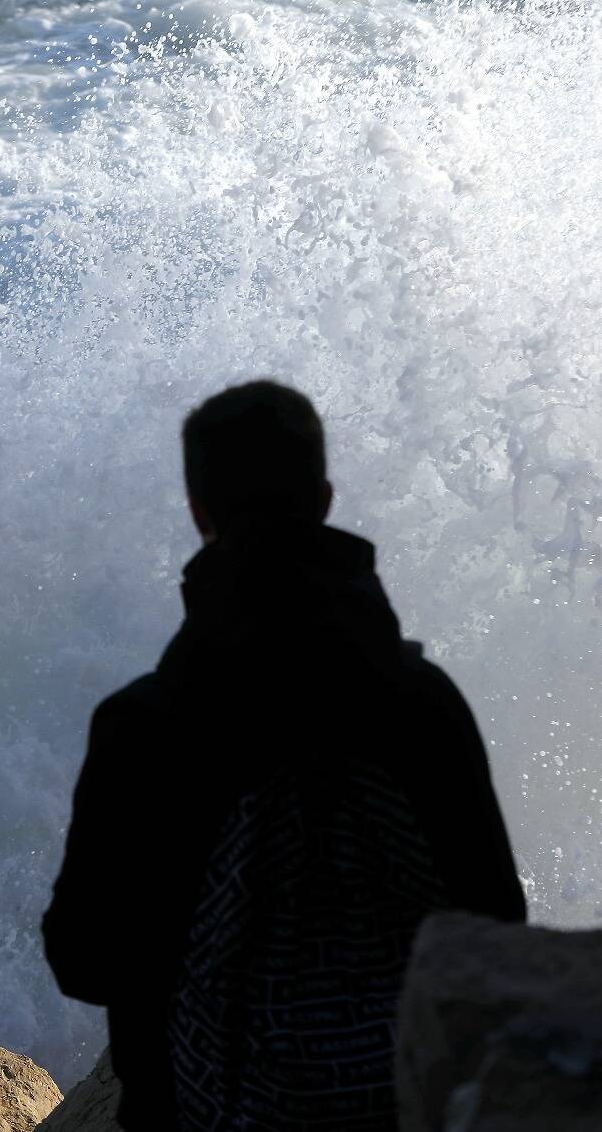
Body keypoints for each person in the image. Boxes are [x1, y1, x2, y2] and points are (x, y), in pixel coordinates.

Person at [43, 380, 525, 1131]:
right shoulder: (425, 703)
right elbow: (496, 926)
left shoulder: (144, 725)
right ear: (325, 498)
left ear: (200, 513)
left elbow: (83, 958)